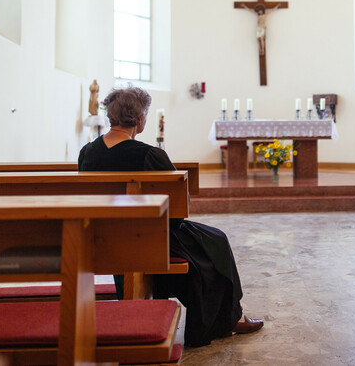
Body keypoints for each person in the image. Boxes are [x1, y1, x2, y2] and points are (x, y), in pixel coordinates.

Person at [78, 86, 263, 347]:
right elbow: (177, 208)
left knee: (204, 243)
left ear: (111, 116)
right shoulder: (150, 156)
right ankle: (230, 318)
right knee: (216, 241)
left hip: (100, 236)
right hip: (148, 237)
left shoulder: (88, 153)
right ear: (140, 120)